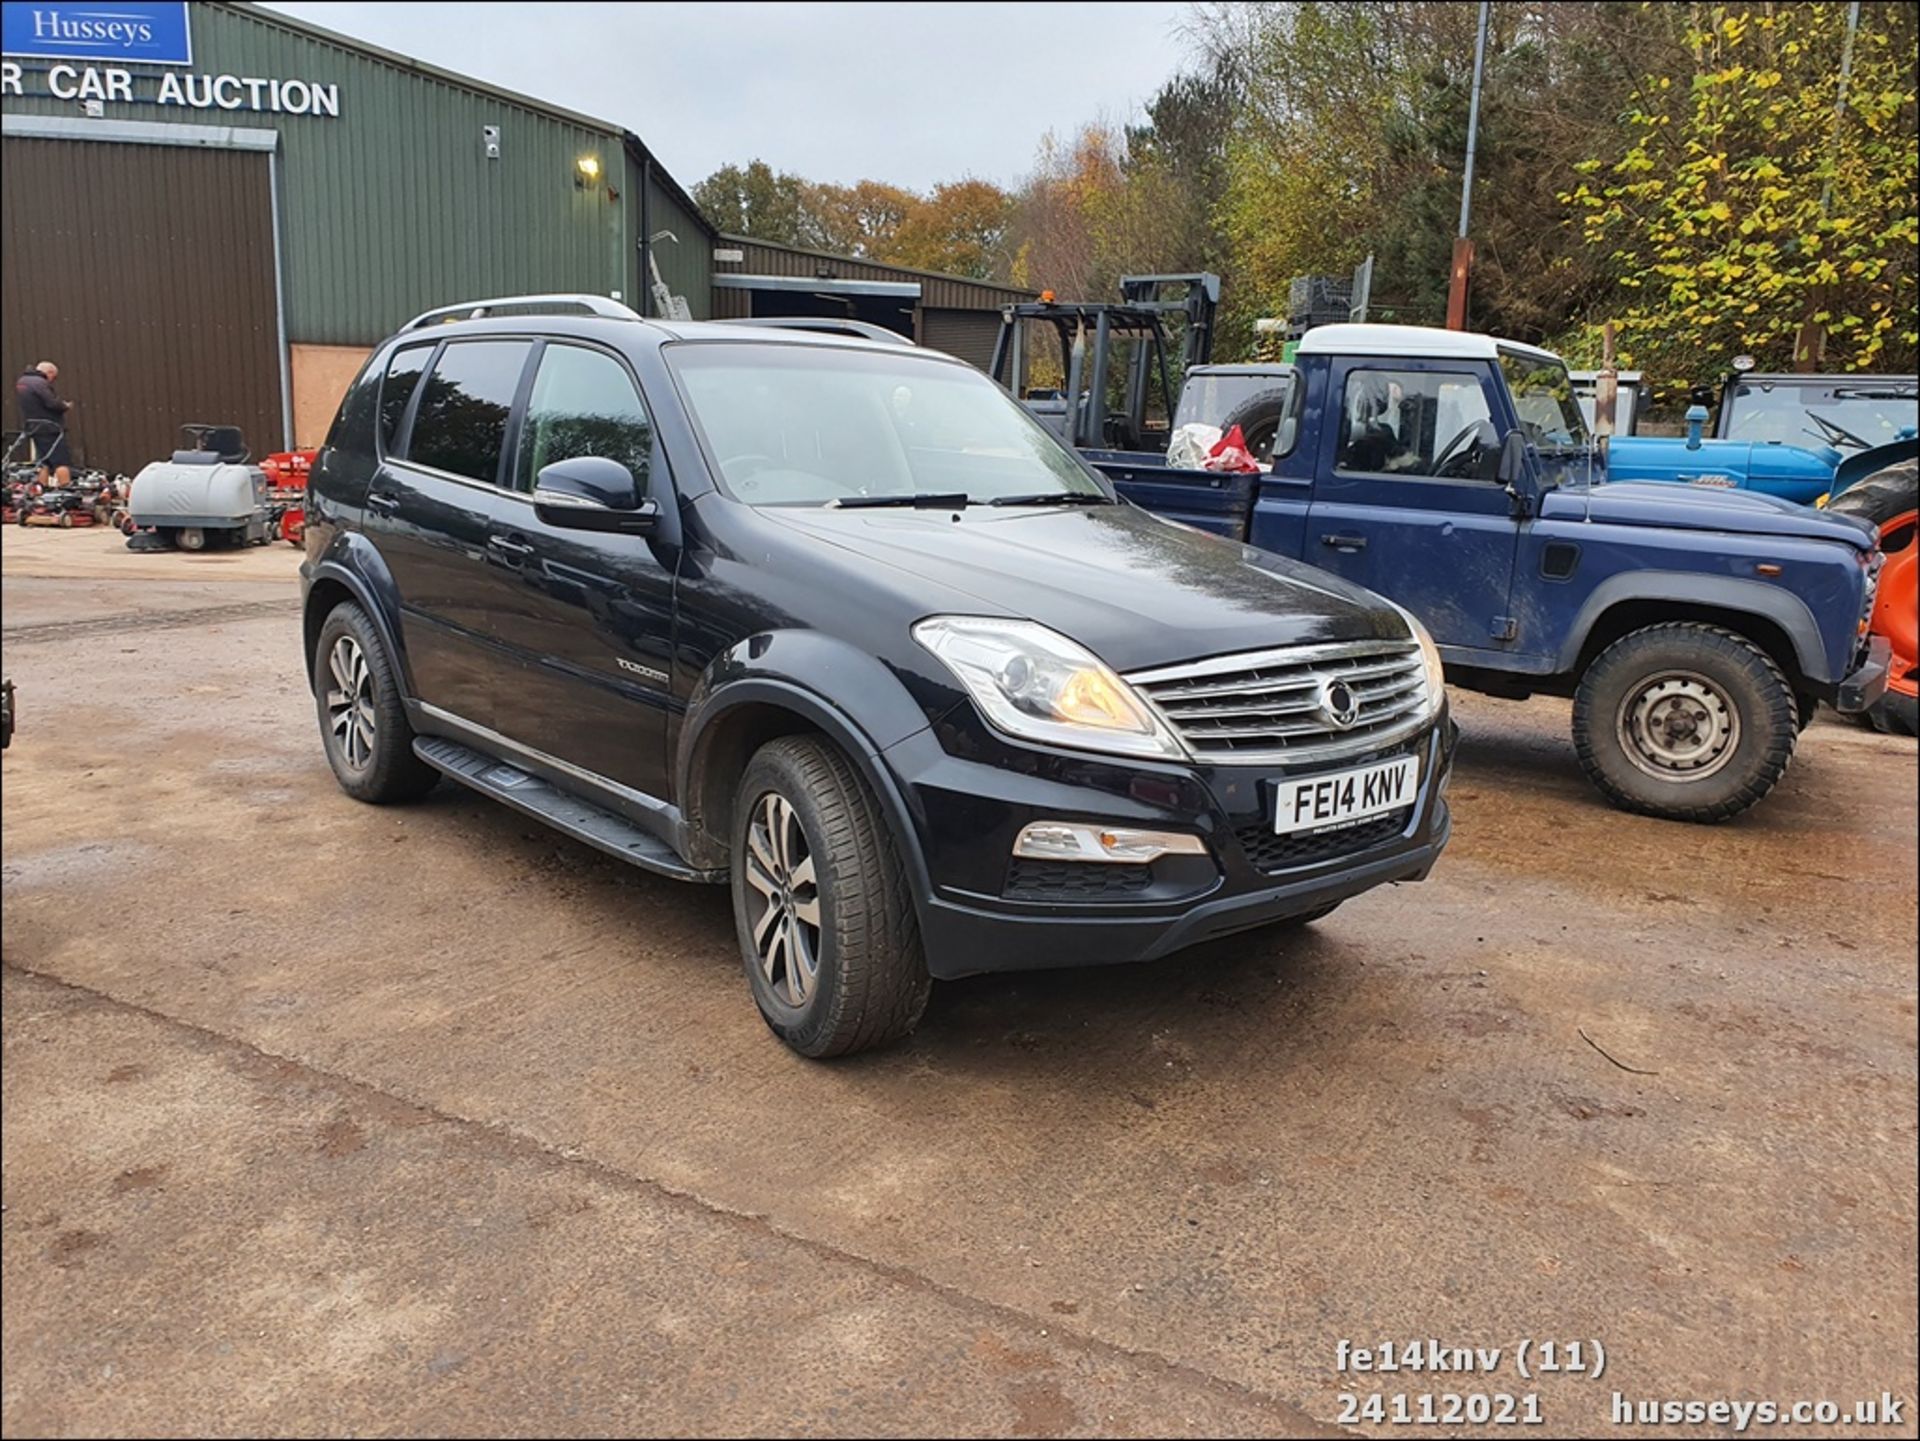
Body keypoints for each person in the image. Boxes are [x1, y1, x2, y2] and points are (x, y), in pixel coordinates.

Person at [15, 361, 72, 486]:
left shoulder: (23, 381)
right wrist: (64, 406)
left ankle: (41, 490)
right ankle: (67, 490)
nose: (52, 380)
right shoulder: (40, 383)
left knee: (42, 461)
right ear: (49, 372)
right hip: (50, 427)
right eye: (54, 376)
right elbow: (51, 403)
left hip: (34, 427)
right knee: (61, 461)